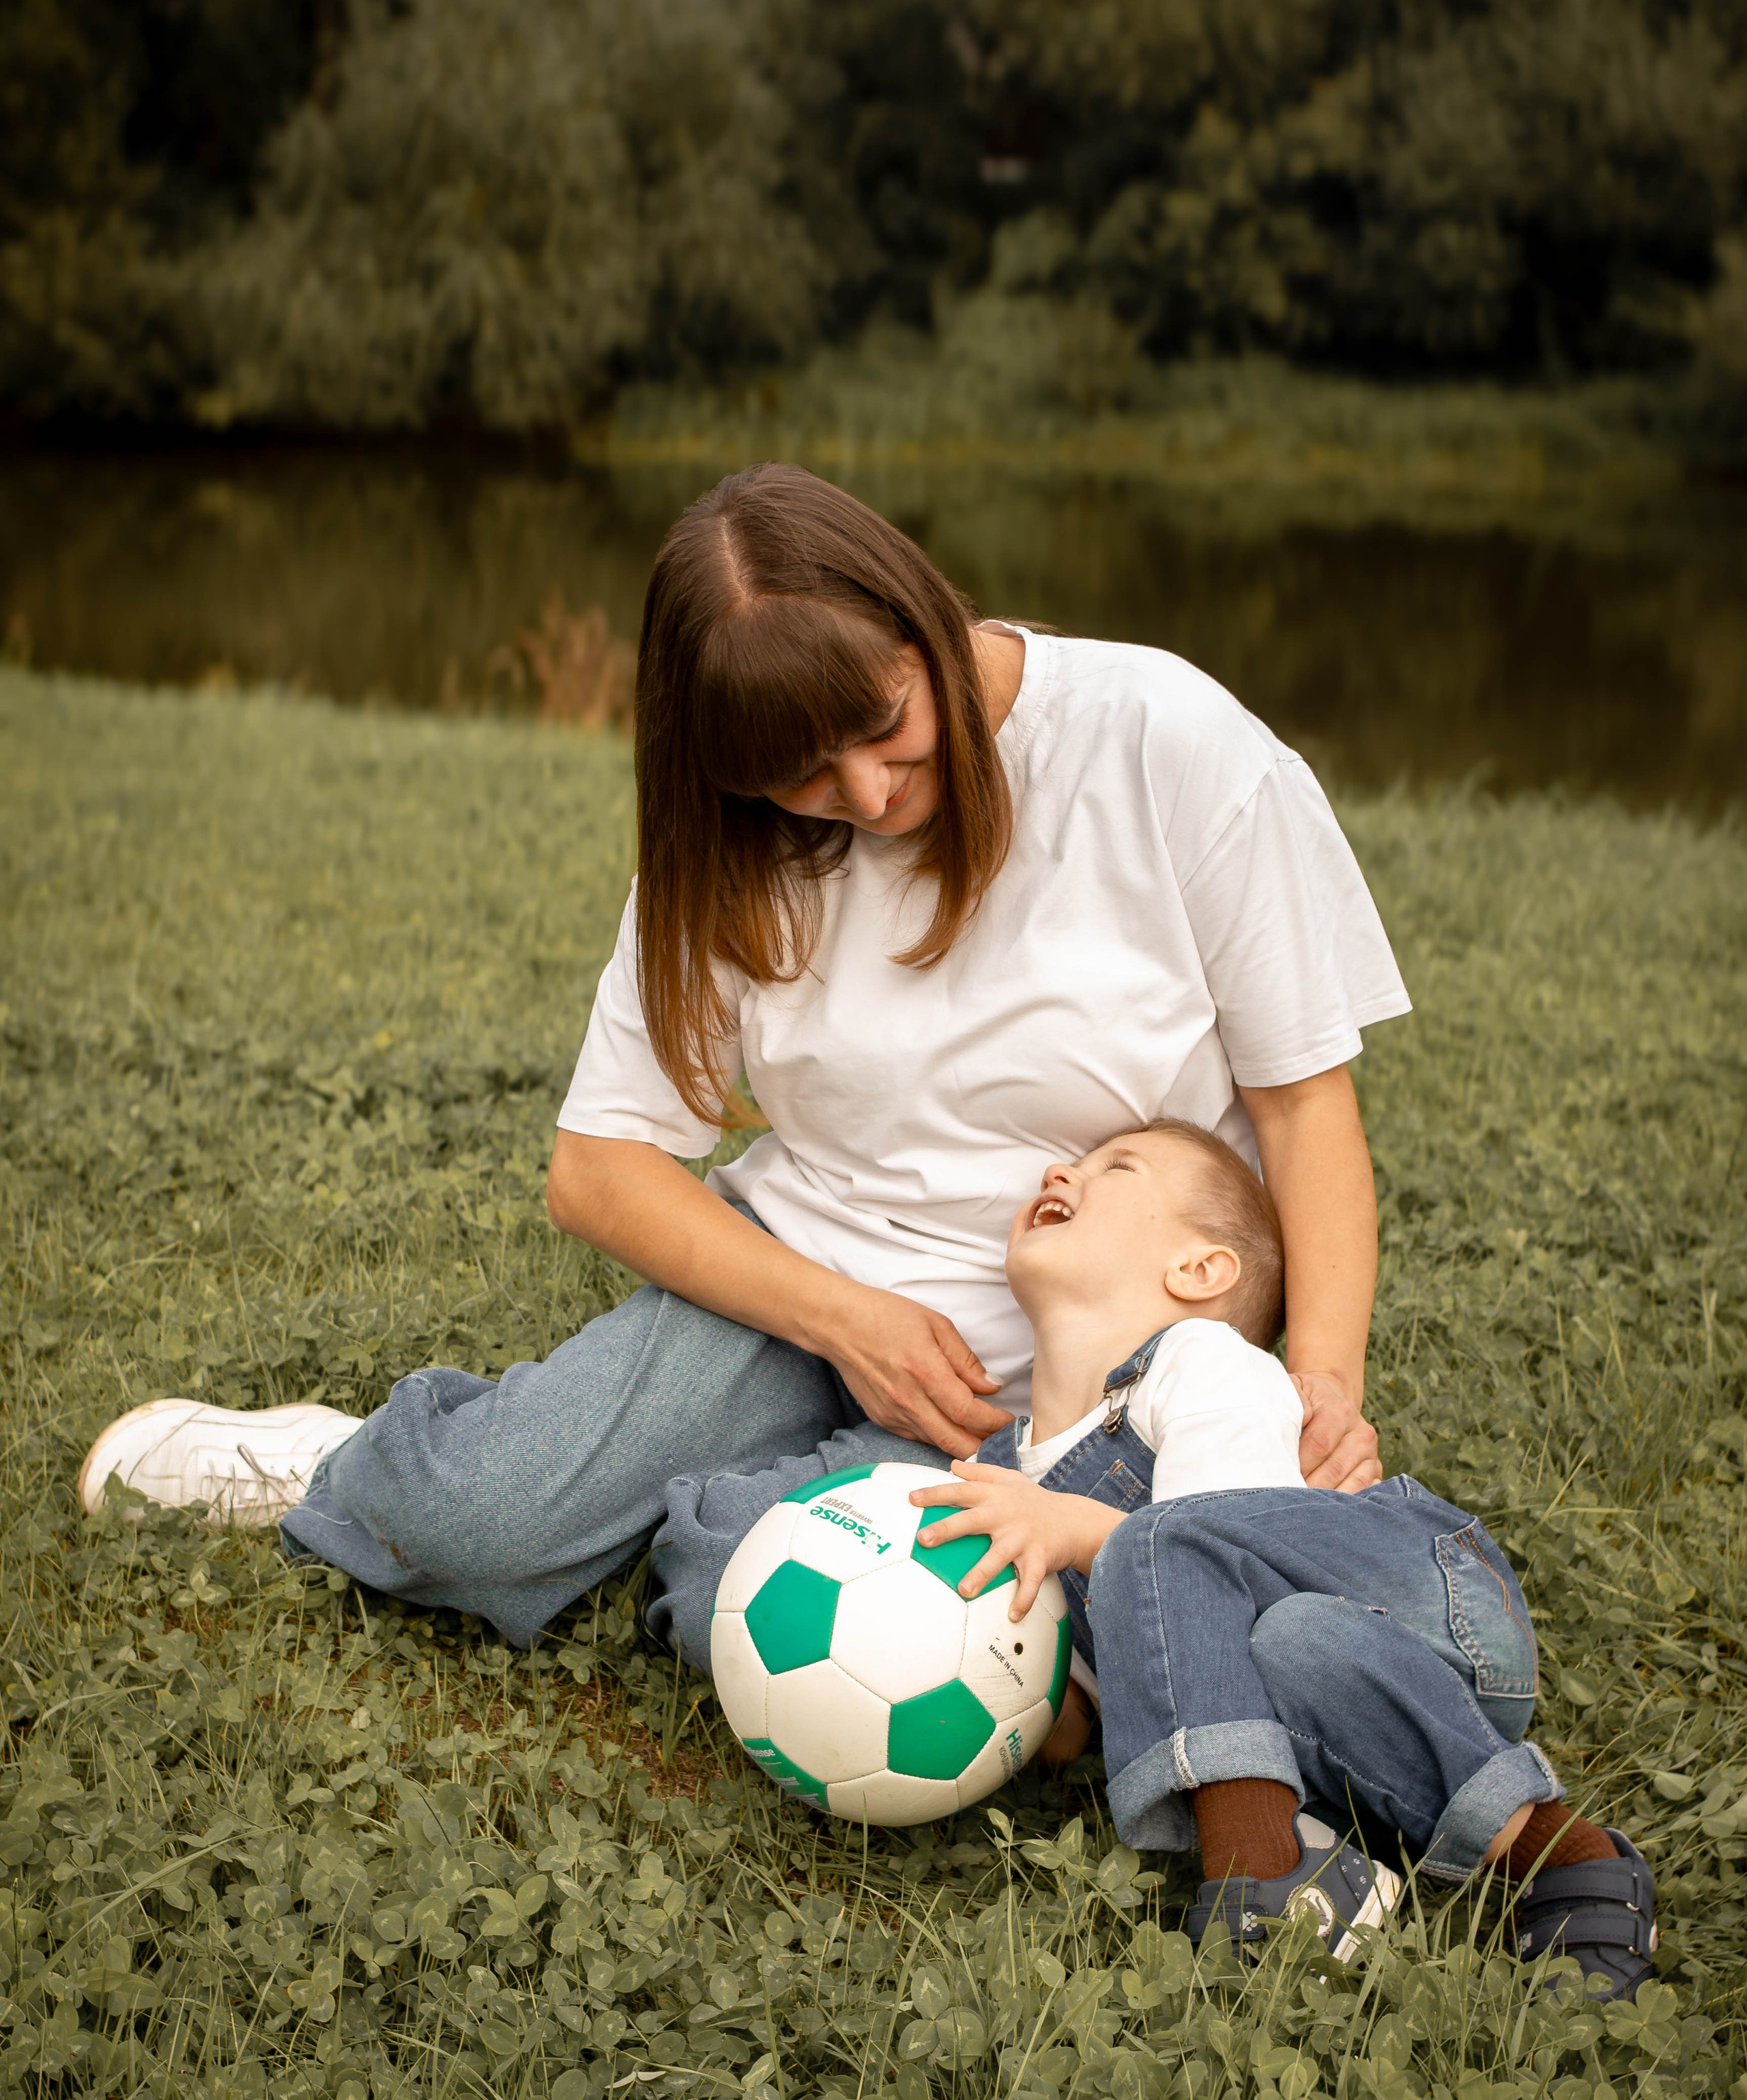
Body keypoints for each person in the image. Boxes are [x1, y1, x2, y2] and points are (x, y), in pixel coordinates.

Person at [80, 463, 1406, 1659]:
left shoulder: (1164, 742)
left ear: (918, 620)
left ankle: (708, 1518)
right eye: (803, 780)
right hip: (803, 1289)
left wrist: (1318, 1389)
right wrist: (846, 1322)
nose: (872, 797)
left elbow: (1301, 1113)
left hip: (1096, 1385)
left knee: (748, 1592)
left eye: (886, 727)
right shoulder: (726, 855)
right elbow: (598, 1169)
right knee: (474, 1524)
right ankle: (351, 1461)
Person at [653, 1122, 1656, 1996]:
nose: (1066, 1172)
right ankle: (1430, 1859)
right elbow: (1116, 1685)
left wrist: (1066, 1532)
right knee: (1281, 1643)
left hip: (1423, 1607)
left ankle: (1287, 1872)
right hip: (1327, 1682)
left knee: (1164, 1549)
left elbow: (1208, 1542)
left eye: (1117, 1167)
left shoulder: (1203, 1367)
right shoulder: (1007, 1469)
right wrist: (993, 1683)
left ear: (1200, 1273)